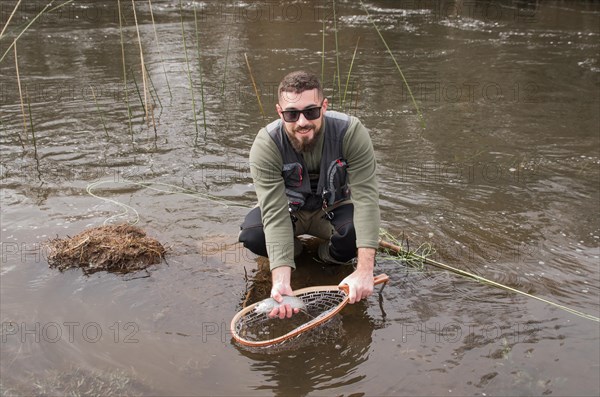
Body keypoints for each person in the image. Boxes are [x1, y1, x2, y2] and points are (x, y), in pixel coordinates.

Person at [239, 70, 380, 319]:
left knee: (354, 236)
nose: (302, 122)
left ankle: (326, 255)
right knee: (253, 235)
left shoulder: (351, 132)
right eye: (292, 114)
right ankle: (294, 253)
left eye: (311, 111)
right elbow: (274, 212)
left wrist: (365, 270)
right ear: (279, 112)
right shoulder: (266, 144)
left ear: (324, 107)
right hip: (289, 213)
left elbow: (367, 199)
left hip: (332, 210)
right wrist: (281, 280)